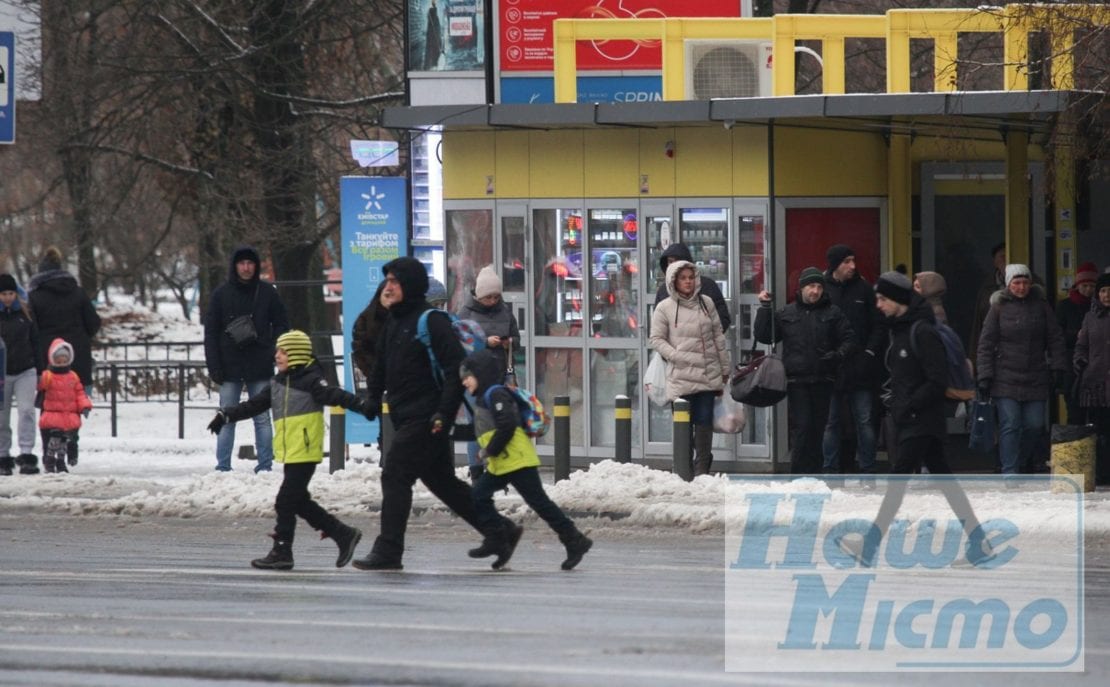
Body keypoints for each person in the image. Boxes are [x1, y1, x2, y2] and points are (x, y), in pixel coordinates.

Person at [352, 257, 517, 571]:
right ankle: (501, 531)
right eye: (387, 281)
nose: (388, 287)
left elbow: (457, 371)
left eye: (394, 282)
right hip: (408, 415)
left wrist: (443, 412)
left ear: (410, 285)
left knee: (395, 473)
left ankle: (388, 550)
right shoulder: (394, 322)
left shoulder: (432, 321)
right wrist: (372, 399)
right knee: (442, 482)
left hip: (428, 417)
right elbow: (381, 368)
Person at [837, 272, 992, 566]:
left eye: (883, 299)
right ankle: (979, 541)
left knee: (897, 480)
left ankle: (868, 547)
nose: (879, 305)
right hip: (913, 418)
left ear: (897, 299)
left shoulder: (922, 331)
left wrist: (909, 406)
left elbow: (937, 380)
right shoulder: (899, 330)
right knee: (946, 482)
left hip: (921, 420)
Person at [207, 330, 371, 570]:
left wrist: (361, 405)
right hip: (290, 451)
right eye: (277, 351)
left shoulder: (311, 381)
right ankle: (343, 534)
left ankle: (283, 551)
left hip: (305, 450)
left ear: (296, 354)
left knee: (285, 501)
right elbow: (254, 405)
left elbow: (335, 395)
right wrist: (226, 414)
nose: (277, 356)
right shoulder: (276, 383)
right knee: (298, 501)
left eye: (283, 352)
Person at [460, 348, 593, 570]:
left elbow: (507, 425)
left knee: (539, 503)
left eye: (467, 377)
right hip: (503, 463)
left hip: (517, 461)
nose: (464, 382)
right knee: (477, 497)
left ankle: (574, 540)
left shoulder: (495, 394)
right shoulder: (484, 398)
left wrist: (489, 450)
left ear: (480, 374)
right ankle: (499, 538)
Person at [755, 267, 856, 475]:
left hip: (823, 378)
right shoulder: (787, 312)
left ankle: (815, 473)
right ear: (801, 288)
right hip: (797, 380)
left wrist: (837, 355)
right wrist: (764, 307)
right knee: (803, 427)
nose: (815, 291)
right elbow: (765, 335)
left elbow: (849, 339)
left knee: (818, 429)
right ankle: (798, 474)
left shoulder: (832, 312)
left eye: (819, 286)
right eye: (811, 286)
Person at [976, 264, 1067, 479]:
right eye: (1016, 283)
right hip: (1005, 376)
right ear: (1008, 285)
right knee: (1010, 424)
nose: (1021, 287)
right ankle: (1010, 471)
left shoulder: (1042, 306)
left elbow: (1055, 338)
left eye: (1025, 282)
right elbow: (985, 343)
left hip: (1035, 375)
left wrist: (1058, 367)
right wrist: (985, 375)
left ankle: (1020, 458)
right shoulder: (997, 307)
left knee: (1035, 425)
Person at [203, 245, 289, 473]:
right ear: (234, 266)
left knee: (261, 418)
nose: (246, 267)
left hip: (259, 362)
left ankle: (265, 466)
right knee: (226, 416)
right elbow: (210, 332)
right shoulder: (221, 294)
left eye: (250, 263)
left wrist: (273, 347)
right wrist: (214, 365)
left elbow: (282, 322)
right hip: (228, 365)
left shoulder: (267, 292)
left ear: (256, 265)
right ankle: (222, 467)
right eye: (241, 263)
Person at [649, 260, 730, 477]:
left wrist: (724, 368)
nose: (687, 282)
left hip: (706, 374)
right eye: (682, 278)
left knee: (704, 422)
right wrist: (675, 356)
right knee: (683, 424)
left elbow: (718, 337)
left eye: (690, 277)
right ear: (673, 281)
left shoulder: (706, 303)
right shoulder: (664, 307)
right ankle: (684, 470)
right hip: (680, 376)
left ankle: (702, 468)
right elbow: (656, 339)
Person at [27, 246, 101, 469]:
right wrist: (79, 338)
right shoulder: (78, 293)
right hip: (78, 358)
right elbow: (94, 322)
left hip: (47, 361)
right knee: (74, 403)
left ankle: (50, 451)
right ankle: (72, 440)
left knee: (50, 407)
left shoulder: (35, 297)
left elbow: (33, 329)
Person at [821, 244, 883, 478]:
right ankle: (830, 471)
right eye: (847, 261)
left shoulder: (864, 289)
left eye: (853, 260)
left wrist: (869, 353)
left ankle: (868, 470)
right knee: (830, 422)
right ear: (835, 264)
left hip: (860, 367)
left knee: (865, 421)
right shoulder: (823, 288)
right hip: (831, 366)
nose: (852, 266)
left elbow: (878, 325)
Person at [456, 265, 521, 480]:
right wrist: (485, 342)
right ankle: (476, 470)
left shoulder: (505, 311)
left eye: (496, 296)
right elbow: (460, 342)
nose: (493, 301)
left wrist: (508, 343)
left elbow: (516, 338)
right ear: (479, 295)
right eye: (488, 297)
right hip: (474, 376)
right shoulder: (466, 312)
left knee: (499, 422)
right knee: (478, 423)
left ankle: (496, 468)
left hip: (499, 373)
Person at [0, 274, 41, 475]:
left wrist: (40, 369)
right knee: (2, 416)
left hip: (26, 369)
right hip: (2, 372)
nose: (7, 297)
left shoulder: (25, 313)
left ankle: (27, 454)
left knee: (26, 411)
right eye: (3, 294)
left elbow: (36, 341)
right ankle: (3, 456)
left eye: (10, 293)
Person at [1073, 272, 1110, 486]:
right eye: (1103, 291)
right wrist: (1080, 362)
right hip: (1095, 384)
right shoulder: (1090, 317)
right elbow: (1081, 346)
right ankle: (1102, 473)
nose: (1107, 295)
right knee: (1099, 431)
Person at [37, 338, 93, 474]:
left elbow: (80, 393)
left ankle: (61, 461)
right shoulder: (49, 375)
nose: (61, 364)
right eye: (58, 361)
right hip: (53, 414)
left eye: (64, 360)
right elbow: (40, 386)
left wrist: (85, 405)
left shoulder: (73, 376)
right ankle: (50, 459)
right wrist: (42, 378)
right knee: (53, 440)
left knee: (64, 440)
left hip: (68, 415)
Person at [654, 243, 731, 332]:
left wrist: (707, 338)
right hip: (675, 345)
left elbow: (723, 318)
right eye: (670, 261)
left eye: (677, 261)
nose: (674, 265)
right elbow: (658, 328)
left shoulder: (708, 285)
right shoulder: (663, 290)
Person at [1057, 261, 1099, 425]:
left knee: (1098, 415)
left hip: (1097, 368)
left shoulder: (1101, 307)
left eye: (1092, 286)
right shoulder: (1065, 306)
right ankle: (1076, 449)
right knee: (1075, 414)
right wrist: (1078, 335)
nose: (1088, 290)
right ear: (1078, 285)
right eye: (1085, 285)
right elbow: (1057, 336)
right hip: (1072, 368)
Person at [969, 242, 1007, 360]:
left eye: (1009, 255)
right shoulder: (987, 288)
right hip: (994, 349)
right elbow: (978, 325)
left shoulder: (1031, 285)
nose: (1006, 260)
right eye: (1002, 256)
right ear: (995, 262)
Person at [350, 280, 389, 384]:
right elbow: (360, 349)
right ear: (379, 295)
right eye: (387, 295)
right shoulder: (366, 319)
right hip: (378, 377)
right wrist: (374, 373)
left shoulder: (405, 318)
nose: (391, 300)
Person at [423, 0, 443, 70]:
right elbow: (430, 20)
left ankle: (434, 62)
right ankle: (433, 63)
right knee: (433, 46)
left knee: (435, 46)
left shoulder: (434, 10)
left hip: (434, 31)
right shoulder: (430, 10)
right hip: (433, 31)